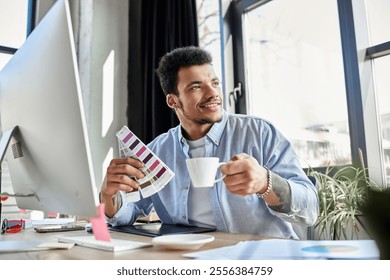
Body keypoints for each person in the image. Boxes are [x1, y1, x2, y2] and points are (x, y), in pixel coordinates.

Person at [100, 46, 318, 239]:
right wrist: (109, 195)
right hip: (193, 261)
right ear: (172, 100)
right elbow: (128, 212)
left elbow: (310, 208)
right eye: (196, 87)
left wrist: (265, 182)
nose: (213, 93)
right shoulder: (157, 150)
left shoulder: (260, 133)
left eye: (214, 83)